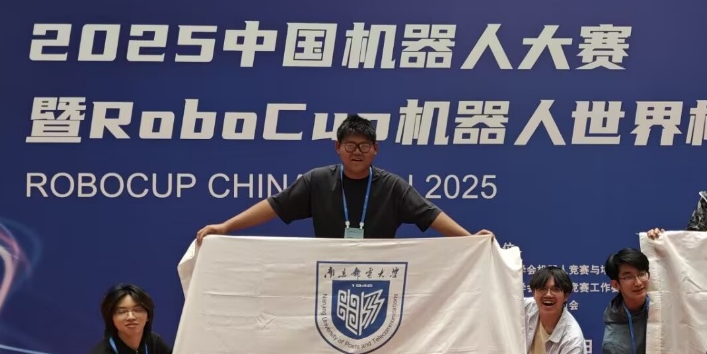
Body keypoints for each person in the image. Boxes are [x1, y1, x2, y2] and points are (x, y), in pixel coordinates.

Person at [195, 115, 488, 243]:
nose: (357, 152)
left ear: (375, 149)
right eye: (350, 145)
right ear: (337, 147)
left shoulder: (392, 186)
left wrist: (469, 239)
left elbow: (431, 214)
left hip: (382, 276)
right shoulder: (318, 181)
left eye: (364, 146)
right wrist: (226, 227)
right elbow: (275, 205)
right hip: (327, 275)